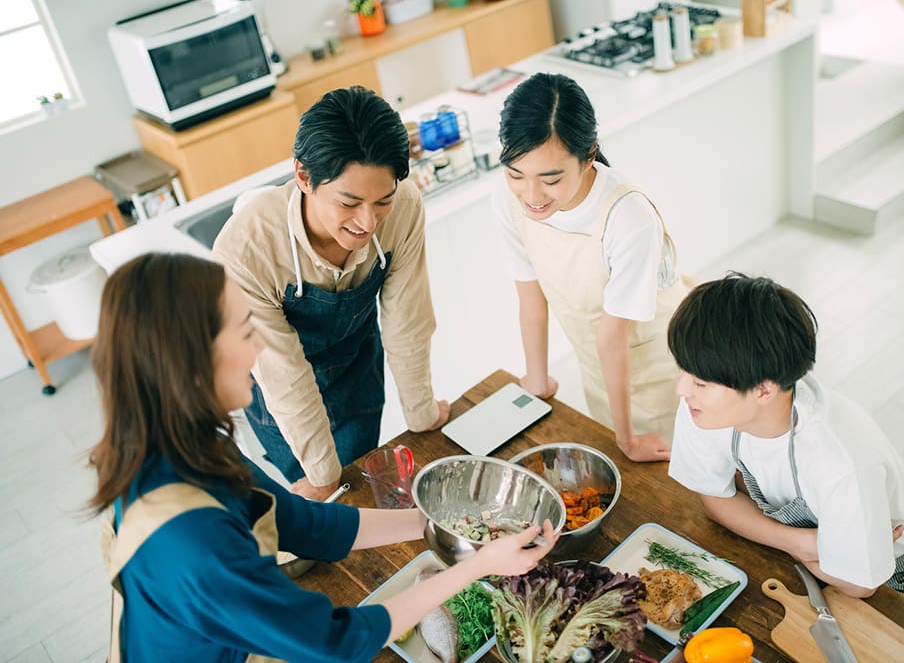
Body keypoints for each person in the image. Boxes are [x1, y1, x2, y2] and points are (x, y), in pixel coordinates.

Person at [89, 253, 557, 662]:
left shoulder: (187, 442)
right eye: (245, 331)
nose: (259, 346)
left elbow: (302, 522)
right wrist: (478, 565)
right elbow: (334, 642)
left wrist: (435, 524)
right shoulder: (189, 541)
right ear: (190, 360)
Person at [666, 273, 904, 612]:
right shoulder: (704, 404)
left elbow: (860, 585)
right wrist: (802, 543)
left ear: (764, 388)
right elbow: (713, 497)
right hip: (817, 557)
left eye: (700, 382)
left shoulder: (839, 461)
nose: (682, 389)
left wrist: (795, 541)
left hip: (901, 575)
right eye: (684, 371)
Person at [213, 86, 450, 501]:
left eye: (382, 201)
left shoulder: (406, 208)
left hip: (356, 363)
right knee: (321, 499)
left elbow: (407, 321)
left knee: (360, 485)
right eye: (349, 202)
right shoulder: (247, 249)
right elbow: (283, 373)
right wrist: (322, 474)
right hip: (276, 388)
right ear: (304, 177)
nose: (367, 221)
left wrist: (421, 413)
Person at [493, 73, 690, 463]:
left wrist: (628, 438)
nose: (531, 195)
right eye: (516, 174)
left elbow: (612, 337)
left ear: (589, 156)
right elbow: (531, 298)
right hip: (600, 369)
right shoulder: (508, 198)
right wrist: (536, 379)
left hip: (662, 370)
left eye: (550, 179)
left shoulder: (627, 217)